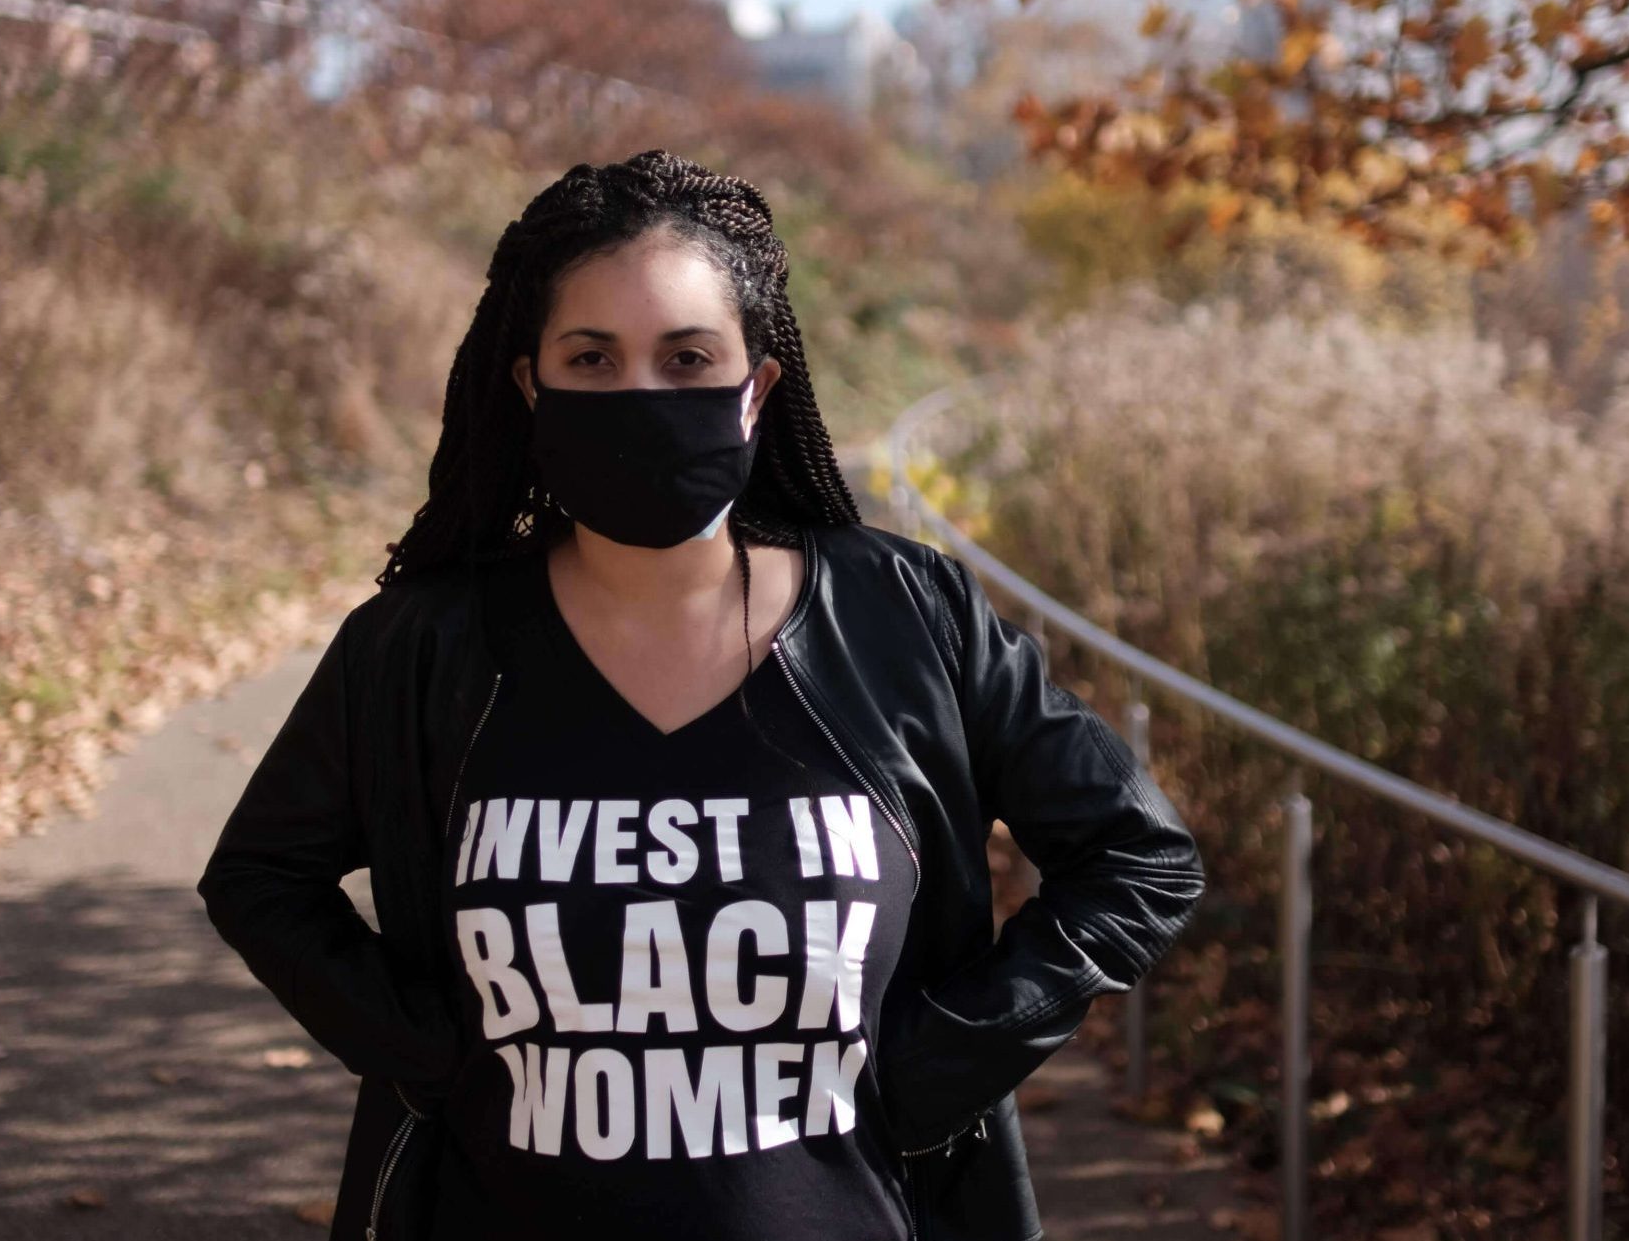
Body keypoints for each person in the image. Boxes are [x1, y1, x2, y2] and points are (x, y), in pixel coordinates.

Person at [197, 147, 1206, 1241]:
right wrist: (433, 1059)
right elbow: (262, 877)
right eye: (592, 358)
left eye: (687, 358)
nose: (641, 394)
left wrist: (936, 1067)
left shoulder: (906, 620)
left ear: (755, 388)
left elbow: (1138, 858)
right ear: (531, 386)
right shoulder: (421, 647)